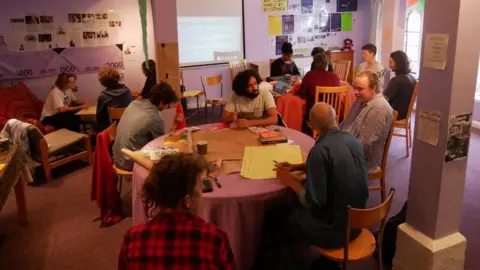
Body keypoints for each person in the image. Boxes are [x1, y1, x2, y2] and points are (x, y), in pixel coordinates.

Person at [256, 103, 369, 269]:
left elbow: (314, 202)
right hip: (358, 222)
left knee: (283, 221)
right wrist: (299, 167)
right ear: (335, 118)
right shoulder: (352, 140)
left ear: (311, 125)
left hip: (335, 230)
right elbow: (336, 166)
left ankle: (288, 263)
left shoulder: (320, 151)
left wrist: (290, 181)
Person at [118, 153, 235, 269]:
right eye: (199, 187)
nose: (202, 190)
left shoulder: (132, 238)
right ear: (187, 200)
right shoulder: (214, 239)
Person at [113, 82, 178, 171]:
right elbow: (162, 145)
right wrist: (174, 125)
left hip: (117, 157)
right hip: (130, 162)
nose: (167, 107)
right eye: (168, 104)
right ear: (162, 102)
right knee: (170, 160)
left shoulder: (134, 103)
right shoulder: (154, 118)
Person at [340, 71, 393, 172]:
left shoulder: (379, 110)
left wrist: (337, 149)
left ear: (372, 88)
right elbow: (345, 124)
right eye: (354, 87)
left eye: (360, 88)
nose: (355, 92)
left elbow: (363, 144)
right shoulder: (360, 100)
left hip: (362, 160)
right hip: (348, 147)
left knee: (323, 161)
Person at [298, 53, 341, 134]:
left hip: (315, 113)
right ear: (327, 64)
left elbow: (302, 95)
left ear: (314, 63)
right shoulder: (335, 77)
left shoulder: (309, 75)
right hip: (332, 112)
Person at [95, 66, 133, 132]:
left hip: (113, 130)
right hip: (129, 126)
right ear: (117, 77)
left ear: (102, 81)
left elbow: (99, 118)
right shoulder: (127, 91)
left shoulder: (103, 96)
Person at [383, 50, 416, 120]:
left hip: (395, 114)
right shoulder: (412, 78)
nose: (389, 65)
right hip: (404, 113)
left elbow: (384, 98)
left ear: (398, 63)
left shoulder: (396, 80)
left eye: (390, 62)